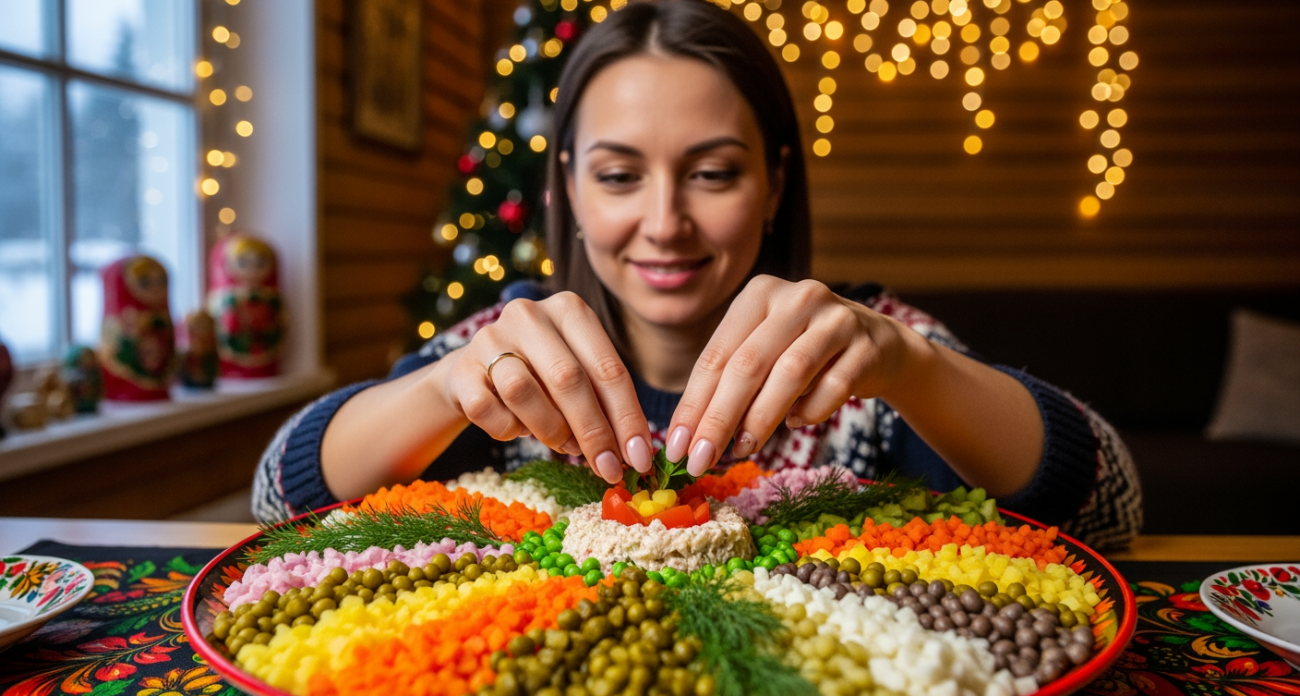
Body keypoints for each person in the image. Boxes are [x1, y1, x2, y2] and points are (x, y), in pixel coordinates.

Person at [254, 0, 1141, 549]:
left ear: (774, 184)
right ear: (565, 185)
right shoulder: (506, 352)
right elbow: (270, 499)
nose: (665, 222)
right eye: (617, 175)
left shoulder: (868, 357)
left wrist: (912, 365)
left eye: (713, 172)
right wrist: (445, 386)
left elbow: (1114, 510)